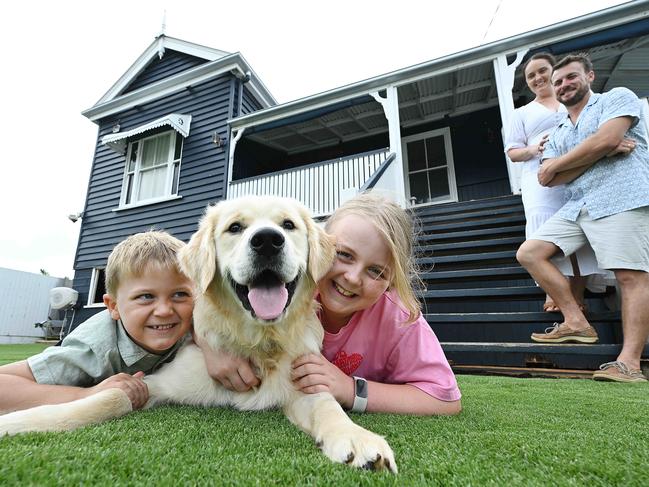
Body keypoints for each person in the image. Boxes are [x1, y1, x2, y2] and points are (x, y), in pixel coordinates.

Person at [202, 193, 462, 415]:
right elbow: (200, 298)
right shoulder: (293, 286)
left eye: (376, 272)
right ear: (318, 248)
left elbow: (444, 399)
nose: (352, 278)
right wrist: (209, 346)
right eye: (344, 255)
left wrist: (351, 390)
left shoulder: (400, 319)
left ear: (392, 282)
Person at [516, 53, 649, 382]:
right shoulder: (560, 129)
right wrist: (602, 150)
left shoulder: (616, 98)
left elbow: (607, 137)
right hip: (578, 205)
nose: (563, 85)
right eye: (558, 81)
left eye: (570, 77)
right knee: (530, 252)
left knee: (630, 277)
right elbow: (546, 176)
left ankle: (630, 364)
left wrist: (598, 146)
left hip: (621, 196)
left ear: (590, 76)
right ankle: (575, 320)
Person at [0, 231, 194, 413]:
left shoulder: (195, 320)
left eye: (180, 294)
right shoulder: (91, 351)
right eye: (146, 296)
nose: (164, 310)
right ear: (114, 307)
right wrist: (87, 394)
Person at [505, 52, 608, 313]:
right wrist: (533, 149)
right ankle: (553, 293)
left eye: (542, 71)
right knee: (545, 231)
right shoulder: (522, 113)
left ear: (554, 72)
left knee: (579, 229)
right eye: (531, 75)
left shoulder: (572, 101)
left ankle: (577, 294)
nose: (538, 78)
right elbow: (513, 151)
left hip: (578, 172)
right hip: (538, 178)